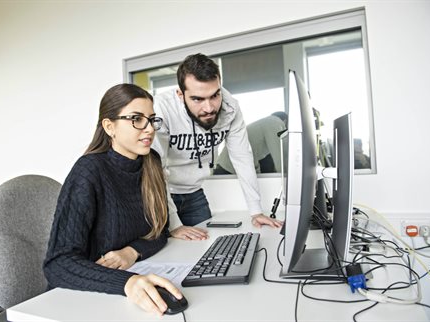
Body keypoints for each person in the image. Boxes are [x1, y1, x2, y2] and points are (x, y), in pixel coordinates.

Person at [43, 84, 182, 316]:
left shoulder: (151, 162)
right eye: (136, 119)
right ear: (109, 127)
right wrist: (127, 283)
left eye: (152, 119)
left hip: (126, 289)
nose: (149, 129)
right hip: (80, 298)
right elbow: (58, 264)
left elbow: (159, 230)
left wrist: (132, 252)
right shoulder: (89, 170)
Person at [152, 53, 282, 241]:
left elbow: (242, 158)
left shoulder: (230, 108)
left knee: (206, 250)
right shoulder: (161, 109)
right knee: (165, 254)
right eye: (198, 99)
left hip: (194, 193)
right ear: (180, 94)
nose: (209, 108)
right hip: (162, 195)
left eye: (214, 95)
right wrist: (175, 224)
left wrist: (256, 211)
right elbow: (156, 168)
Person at [214, 111, 287, 175]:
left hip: (227, 167)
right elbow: (279, 155)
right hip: (230, 168)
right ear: (285, 121)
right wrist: (286, 176)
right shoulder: (275, 122)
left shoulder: (266, 123)